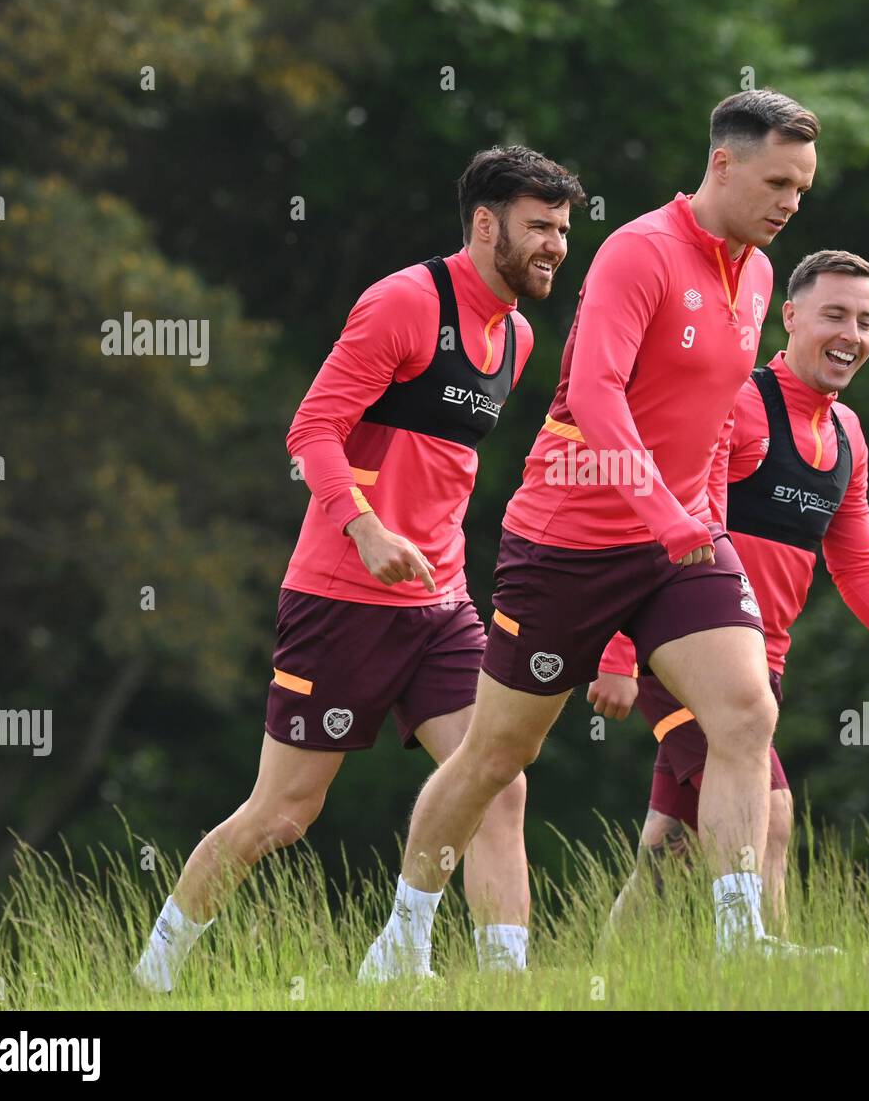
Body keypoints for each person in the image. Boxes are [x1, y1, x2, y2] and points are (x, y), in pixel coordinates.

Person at [374, 90, 823, 978]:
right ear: (723, 164)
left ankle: (741, 941)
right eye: (778, 182)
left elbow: (715, 423)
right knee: (498, 755)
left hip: (681, 541)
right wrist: (661, 515)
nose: (790, 204)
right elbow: (598, 394)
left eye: (803, 190)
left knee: (744, 714)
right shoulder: (638, 251)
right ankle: (404, 933)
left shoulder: (764, 274)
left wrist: (695, 524)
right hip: (568, 541)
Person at [133, 145, 586, 991]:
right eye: (539, 228)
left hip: (441, 602)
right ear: (486, 224)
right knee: (283, 814)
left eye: (563, 229)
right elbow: (311, 431)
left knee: (499, 781)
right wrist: (367, 530)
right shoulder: (405, 303)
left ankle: (504, 985)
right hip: (340, 595)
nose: (556, 245)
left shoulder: (518, 337)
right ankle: (153, 975)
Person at [591, 250, 869, 940]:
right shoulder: (737, 403)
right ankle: (758, 963)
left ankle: (598, 981)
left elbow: (859, 565)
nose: (851, 335)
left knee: (672, 847)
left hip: (760, 663)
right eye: (834, 315)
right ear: (791, 316)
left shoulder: (848, 435)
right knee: (770, 811)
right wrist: (620, 650)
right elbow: (651, 517)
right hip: (682, 641)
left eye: (866, 321)